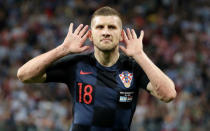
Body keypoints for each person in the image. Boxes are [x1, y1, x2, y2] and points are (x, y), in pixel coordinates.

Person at [17, 6, 176, 131]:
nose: (106, 32)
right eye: (100, 27)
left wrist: (140, 55)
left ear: (121, 35)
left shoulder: (134, 67)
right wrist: (63, 49)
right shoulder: (75, 64)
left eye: (111, 27)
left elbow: (168, 94)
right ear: (91, 36)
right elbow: (24, 75)